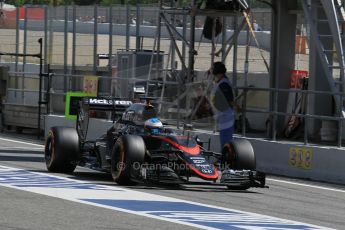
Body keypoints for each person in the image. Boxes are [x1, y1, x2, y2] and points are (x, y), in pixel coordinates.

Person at [210, 62, 235, 152]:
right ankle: (225, 160)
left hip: (226, 117)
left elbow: (228, 101)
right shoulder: (219, 82)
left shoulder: (223, 84)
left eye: (212, 69)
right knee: (224, 141)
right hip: (222, 117)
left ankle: (227, 162)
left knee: (226, 142)